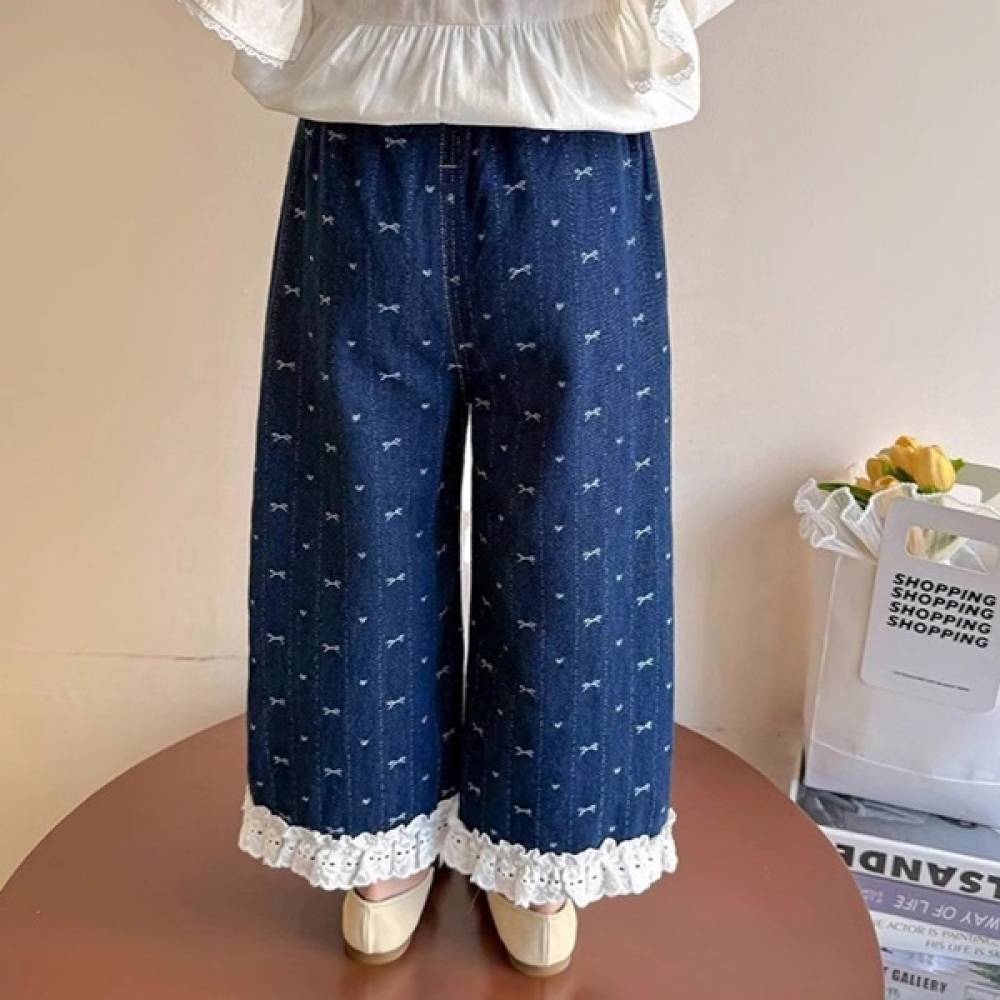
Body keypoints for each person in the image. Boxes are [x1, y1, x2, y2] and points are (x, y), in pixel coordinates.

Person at [175, 0, 734, 977]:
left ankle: (543, 836)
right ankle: (373, 824)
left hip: (572, 132)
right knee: (353, 505)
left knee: (578, 519)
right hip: (365, 128)